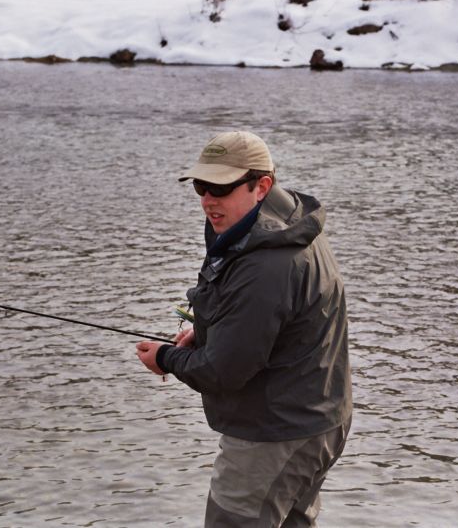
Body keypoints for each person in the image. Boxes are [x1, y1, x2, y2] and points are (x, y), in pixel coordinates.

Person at [136, 131, 352, 527]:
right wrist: (206, 332)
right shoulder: (282, 225)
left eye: (220, 188)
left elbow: (224, 371)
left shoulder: (267, 263)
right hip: (316, 421)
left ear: (262, 186)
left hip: (273, 434)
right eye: (201, 187)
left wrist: (166, 358)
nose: (208, 200)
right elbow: (264, 319)